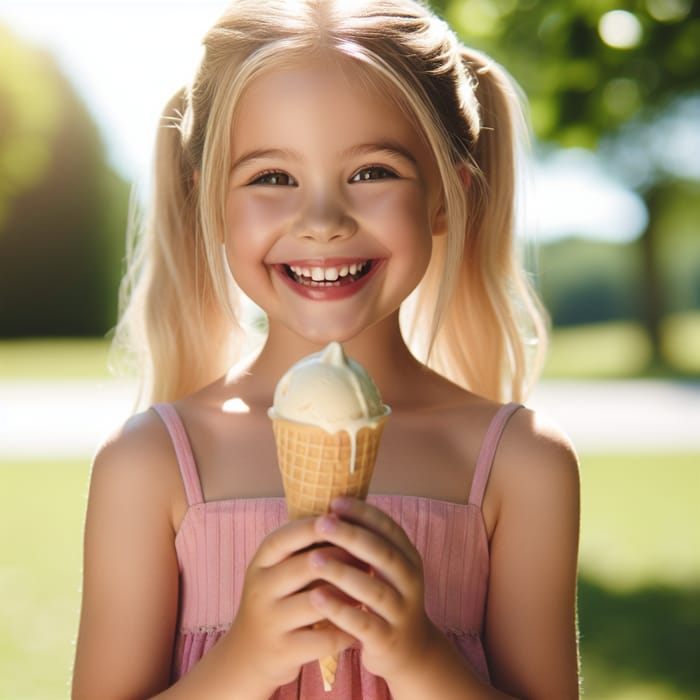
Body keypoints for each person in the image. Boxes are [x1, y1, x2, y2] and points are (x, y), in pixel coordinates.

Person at [72, 0, 580, 698]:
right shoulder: (151, 462)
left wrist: (419, 657)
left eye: (372, 172)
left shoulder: (520, 463)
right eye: (271, 178)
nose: (321, 223)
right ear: (209, 204)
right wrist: (245, 660)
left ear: (446, 194)